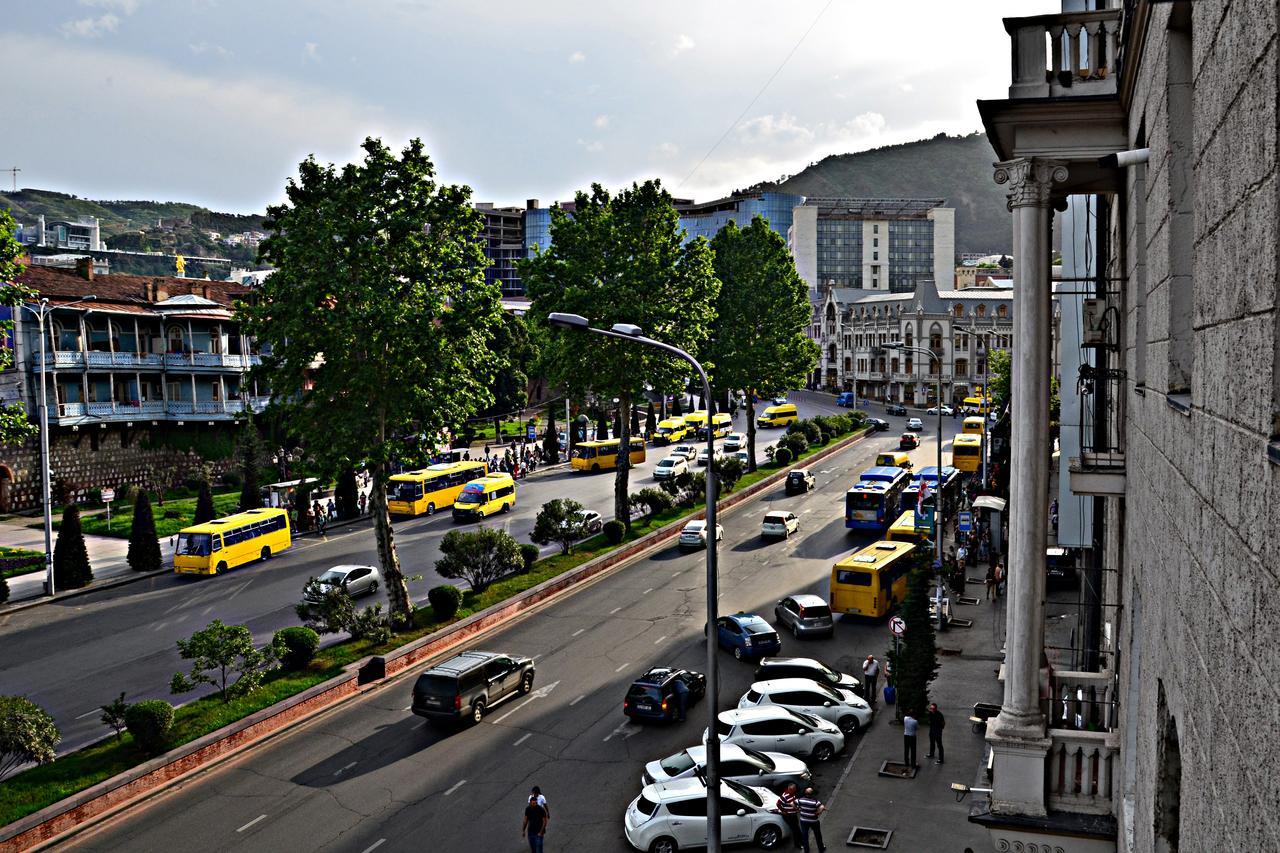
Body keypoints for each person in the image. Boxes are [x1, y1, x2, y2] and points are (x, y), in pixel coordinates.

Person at [796, 787, 827, 853]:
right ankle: (821, 849)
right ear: (812, 794)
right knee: (818, 835)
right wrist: (818, 813)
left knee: (805, 836)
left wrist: (798, 809)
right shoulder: (815, 801)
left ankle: (806, 851)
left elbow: (792, 803)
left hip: (803, 821)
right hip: (813, 821)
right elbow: (822, 807)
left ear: (805, 793)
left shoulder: (800, 800)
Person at [775, 782, 801, 846]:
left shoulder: (792, 794)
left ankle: (800, 841)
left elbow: (794, 802)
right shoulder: (785, 796)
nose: (795, 790)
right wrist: (784, 811)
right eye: (794, 789)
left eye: (795, 789)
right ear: (790, 789)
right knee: (795, 830)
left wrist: (796, 808)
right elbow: (778, 804)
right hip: (789, 816)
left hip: (793, 814)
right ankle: (797, 844)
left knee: (797, 828)